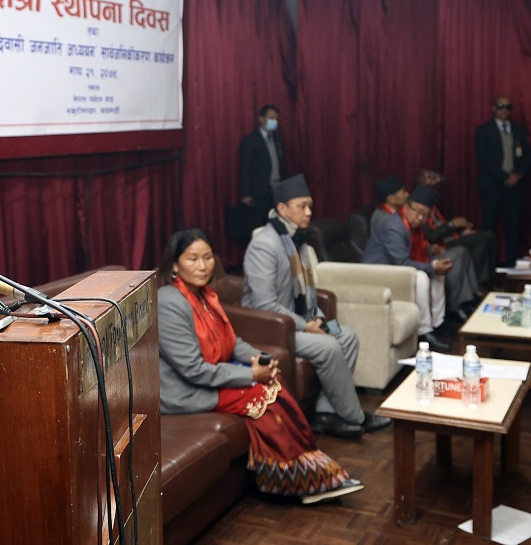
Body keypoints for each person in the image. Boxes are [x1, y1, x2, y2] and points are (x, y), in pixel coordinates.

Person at [158, 228, 364, 504]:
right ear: (174, 265)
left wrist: (262, 358)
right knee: (261, 395)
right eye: (192, 259)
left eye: (208, 257)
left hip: (209, 375)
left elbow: (231, 342)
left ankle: (310, 464)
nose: (203, 266)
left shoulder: (204, 295)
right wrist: (250, 374)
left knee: (273, 381)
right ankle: (295, 479)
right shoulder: (169, 302)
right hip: (186, 390)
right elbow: (193, 370)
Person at [242, 174, 391, 438]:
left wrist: (319, 320)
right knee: (330, 346)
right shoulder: (264, 245)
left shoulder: (297, 239)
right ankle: (355, 416)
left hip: (301, 321)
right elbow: (265, 305)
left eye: (310, 205)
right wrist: (306, 326)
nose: (309, 212)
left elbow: (308, 292)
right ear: (282, 209)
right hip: (275, 329)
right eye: (302, 206)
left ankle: (325, 414)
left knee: (347, 336)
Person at [371, 174, 479, 322]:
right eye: (403, 192)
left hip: (411, 259)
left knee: (457, 254)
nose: (407, 194)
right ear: (391, 199)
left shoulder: (408, 216)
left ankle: (442, 318)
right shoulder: (387, 220)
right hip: (391, 268)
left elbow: (410, 244)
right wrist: (432, 266)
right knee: (434, 269)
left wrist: (430, 250)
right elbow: (399, 258)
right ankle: (433, 322)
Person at [361, 185, 452, 351]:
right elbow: (403, 263)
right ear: (407, 206)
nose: (420, 217)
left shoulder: (413, 226)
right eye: (417, 211)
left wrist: (434, 265)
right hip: (377, 275)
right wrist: (432, 267)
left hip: (395, 270)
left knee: (437, 272)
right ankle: (424, 331)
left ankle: (438, 323)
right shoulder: (395, 227)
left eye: (425, 214)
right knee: (421, 277)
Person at [417, 169, 495, 289]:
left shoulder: (433, 206)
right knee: (484, 238)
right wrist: (452, 224)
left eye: (437, 189)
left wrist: (460, 233)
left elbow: (440, 226)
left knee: (489, 237)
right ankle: (478, 285)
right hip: (440, 245)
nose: (436, 193)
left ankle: (485, 282)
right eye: (433, 189)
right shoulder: (419, 209)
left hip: (451, 238)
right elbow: (431, 236)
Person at [475, 96, 529, 267]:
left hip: (515, 186)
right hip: (491, 185)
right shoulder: (484, 130)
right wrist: (505, 177)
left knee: (513, 226)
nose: (504, 110)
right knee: (489, 226)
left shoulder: (519, 130)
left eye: (508, 107)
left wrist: (517, 175)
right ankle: (488, 267)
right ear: (494, 108)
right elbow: (482, 159)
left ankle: (512, 265)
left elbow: (527, 156)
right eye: (500, 106)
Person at [239, 104, 286, 221]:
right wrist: (246, 193)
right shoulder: (251, 140)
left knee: (277, 221)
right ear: (261, 119)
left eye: (276, 118)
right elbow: (245, 168)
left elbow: (282, 164)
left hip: (277, 189)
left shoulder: (277, 139)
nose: (274, 121)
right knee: (260, 222)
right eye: (271, 118)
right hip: (259, 191)